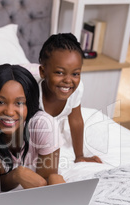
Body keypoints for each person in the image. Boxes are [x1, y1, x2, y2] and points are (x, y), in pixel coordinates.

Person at [0, 64, 65, 191]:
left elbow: (42, 185)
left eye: (19, 103)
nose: (10, 112)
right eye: (0, 102)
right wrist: (16, 175)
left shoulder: (43, 125)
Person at [38, 33, 102, 163]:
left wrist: (79, 156)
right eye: (60, 72)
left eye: (75, 74)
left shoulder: (76, 89)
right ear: (43, 72)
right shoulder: (31, 92)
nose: (68, 80)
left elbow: (76, 120)